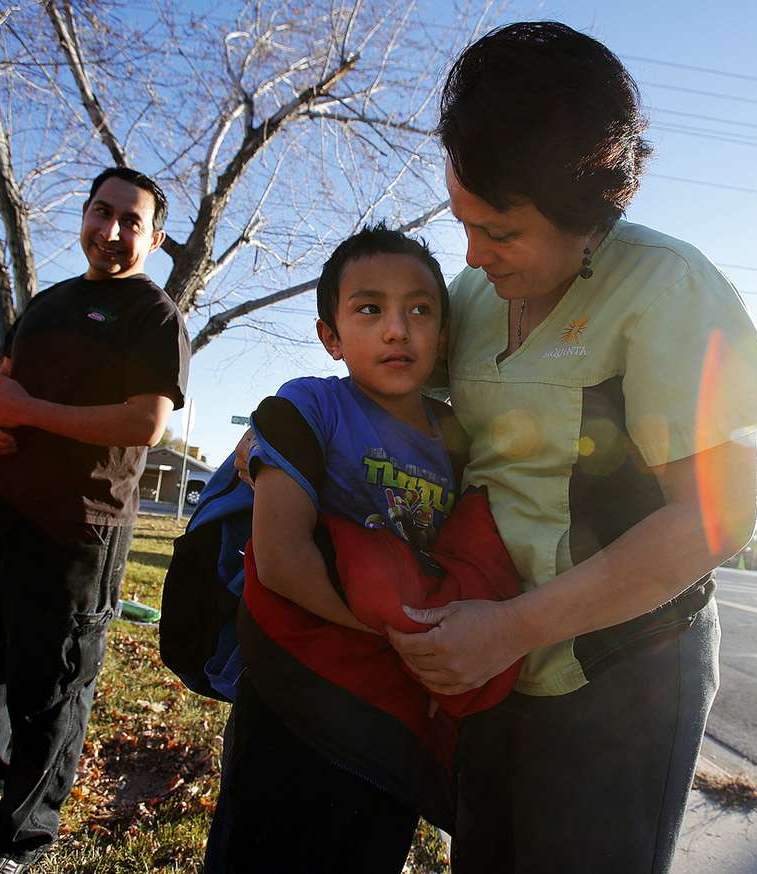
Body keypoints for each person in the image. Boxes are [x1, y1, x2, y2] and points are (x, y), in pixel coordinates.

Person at [376, 22, 757, 874]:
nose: (471, 254)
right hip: (491, 667)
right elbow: (387, 393)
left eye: (500, 232)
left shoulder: (671, 288)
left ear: (594, 216)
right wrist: (291, 436)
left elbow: (718, 519)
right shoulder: (474, 295)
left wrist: (511, 628)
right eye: (462, 221)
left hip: (622, 673)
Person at [0, 166, 189, 874]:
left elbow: (146, 422)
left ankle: (21, 833)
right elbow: (2, 391)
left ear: (155, 237)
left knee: (51, 689)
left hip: (81, 526)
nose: (110, 232)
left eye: (130, 222)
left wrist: (28, 412)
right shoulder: (46, 304)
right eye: (100, 212)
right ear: (83, 215)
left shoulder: (154, 316)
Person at [202, 224, 520, 874]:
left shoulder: (461, 440)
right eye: (370, 309)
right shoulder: (311, 405)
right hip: (297, 697)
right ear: (331, 335)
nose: (397, 329)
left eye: (420, 310)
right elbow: (283, 560)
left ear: (443, 333)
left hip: (393, 722)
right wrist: (404, 640)